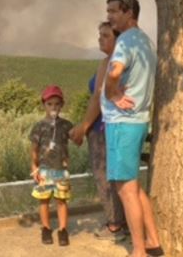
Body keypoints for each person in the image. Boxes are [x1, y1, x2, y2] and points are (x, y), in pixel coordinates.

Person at [101, 0, 162, 257]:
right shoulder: (146, 41)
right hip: (137, 121)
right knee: (132, 185)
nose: (109, 17)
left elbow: (114, 73)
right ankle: (153, 241)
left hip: (122, 123)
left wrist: (112, 93)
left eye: (114, 11)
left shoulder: (125, 41)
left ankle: (138, 250)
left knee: (125, 188)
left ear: (129, 12)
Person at [69, 22, 127, 241]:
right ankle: (123, 221)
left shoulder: (111, 64)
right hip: (109, 125)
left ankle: (115, 225)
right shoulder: (111, 62)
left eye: (105, 35)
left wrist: (83, 128)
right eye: (99, 35)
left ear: (116, 39)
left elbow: (98, 99)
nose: (100, 39)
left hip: (103, 127)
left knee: (104, 175)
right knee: (117, 176)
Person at [30, 85, 74, 246]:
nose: (53, 107)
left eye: (57, 104)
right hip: (43, 170)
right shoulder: (39, 126)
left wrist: (82, 132)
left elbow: (77, 139)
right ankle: (46, 228)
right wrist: (33, 167)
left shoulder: (66, 125)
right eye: (50, 104)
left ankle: (63, 230)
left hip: (61, 171)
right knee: (44, 201)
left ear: (61, 105)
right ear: (44, 105)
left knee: (61, 201)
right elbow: (34, 149)